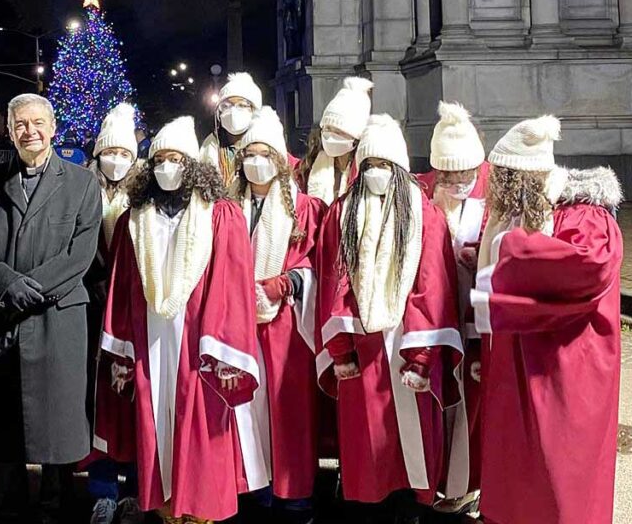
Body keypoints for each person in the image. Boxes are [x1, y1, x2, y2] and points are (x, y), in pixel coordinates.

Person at [93, 116, 261, 524]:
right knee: (156, 421)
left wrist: (222, 346)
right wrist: (121, 347)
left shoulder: (220, 215)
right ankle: (167, 506)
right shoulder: (137, 218)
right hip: (150, 336)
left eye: (176, 159)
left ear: (193, 166)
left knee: (199, 421)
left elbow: (232, 282)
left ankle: (201, 507)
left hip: (200, 339)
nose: (167, 168)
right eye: (160, 160)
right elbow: (121, 282)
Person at [471, 116, 623, 524]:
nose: (493, 188)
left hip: (564, 370)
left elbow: (585, 268)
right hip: (520, 364)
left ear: (523, 178)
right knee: (519, 471)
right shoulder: (516, 215)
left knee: (559, 478)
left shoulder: (586, 218)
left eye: (501, 178)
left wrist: (513, 252)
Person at [0, 93, 101, 521]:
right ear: (9, 128)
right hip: (1, 316)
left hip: (57, 318)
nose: (30, 131)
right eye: (21, 124)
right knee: (3, 418)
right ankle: (10, 503)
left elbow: (81, 252)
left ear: (53, 127)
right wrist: (7, 285)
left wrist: (32, 288)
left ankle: (56, 504)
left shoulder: (81, 183)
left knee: (57, 421)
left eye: (38, 123)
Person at [315, 114, 461, 522]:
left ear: (398, 169)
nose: (376, 173)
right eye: (369, 166)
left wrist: (422, 357)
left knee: (409, 440)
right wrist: (341, 348)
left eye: (384, 166)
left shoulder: (424, 215)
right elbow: (335, 281)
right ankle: (366, 506)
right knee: (366, 440)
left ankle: (410, 507)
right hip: (361, 346)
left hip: (407, 345)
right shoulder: (341, 214)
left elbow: (432, 283)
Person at [230, 107, 324, 524]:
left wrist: (286, 283)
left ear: (280, 157)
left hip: (286, 325)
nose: (255, 162)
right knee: (244, 409)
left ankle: (294, 496)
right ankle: (254, 488)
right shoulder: (228, 207)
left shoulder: (304, 208)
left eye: (264, 153)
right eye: (249, 153)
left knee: (289, 412)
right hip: (237, 322)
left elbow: (316, 263)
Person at [417, 102, 490, 513]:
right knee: (436, 401)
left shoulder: (492, 193)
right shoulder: (424, 191)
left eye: (465, 174)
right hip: (434, 317)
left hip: (474, 318)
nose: (458, 182)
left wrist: (479, 258)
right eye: (449, 175)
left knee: (472, 406)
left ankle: (468, 483)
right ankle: (435, 480)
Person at [84, 103, 142, 524]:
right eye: (110, 153)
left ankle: (138, 490)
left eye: (124, 154)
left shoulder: (143, 201)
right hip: (90, 313)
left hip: (132, 315)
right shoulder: (83, 191)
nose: (116, 161)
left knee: (136, 401)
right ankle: (102, 490)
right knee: (97, 404)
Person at [296, 77, 374, 205]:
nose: (330, 136)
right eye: (327, 129)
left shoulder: (365, 170)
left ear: (356, 136)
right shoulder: (308, 166)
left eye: (338, 131)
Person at [200, 72, 262, 182]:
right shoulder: (210, 145)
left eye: (242, 105)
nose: (233, 111)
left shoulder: (266, 143)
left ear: (254, 110)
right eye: (226, 106)